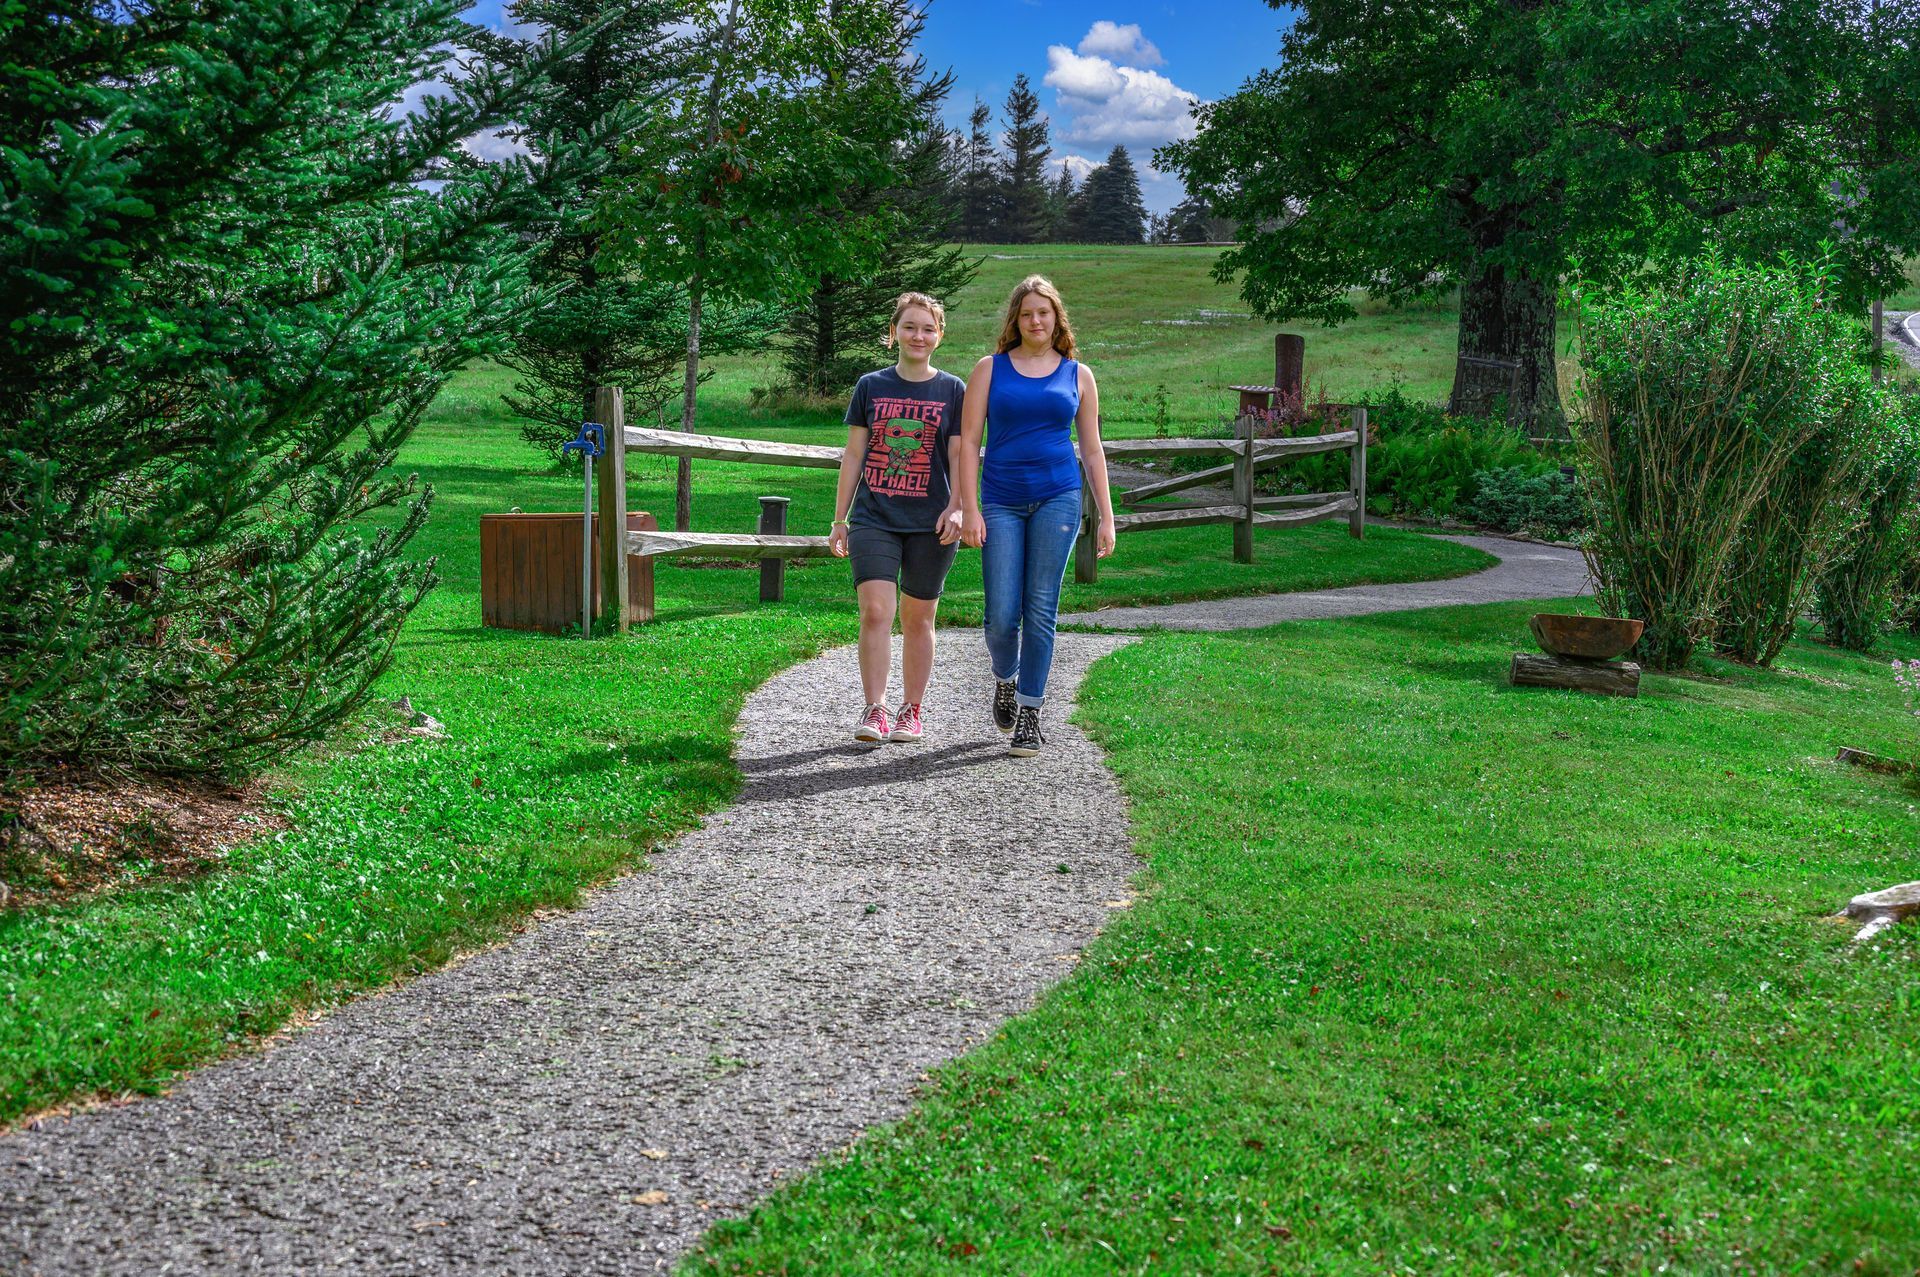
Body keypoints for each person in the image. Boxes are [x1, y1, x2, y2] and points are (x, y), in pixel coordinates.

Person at [955, 275, 1116, 757]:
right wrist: (969, 508)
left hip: (1059, 498)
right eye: (1027, 313)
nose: (1035, 320)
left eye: (1043, 312)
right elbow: (968, 445)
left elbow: (1091, 449)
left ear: (1056, 318)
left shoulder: (1077, 374)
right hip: (1001, 500)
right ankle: (1004, 677)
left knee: (1040, 608)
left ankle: (1030, 713)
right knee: (1002, 616)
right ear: (1016, 319)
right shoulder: (990, 369)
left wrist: (1106, 516)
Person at [828, 292, 967, 744]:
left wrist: (959, 505)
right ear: (894, 333)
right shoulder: (871, 385)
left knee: (918, 618)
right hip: (875, 517)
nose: (918, 336)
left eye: (928, 328)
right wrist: (839, 518)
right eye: (909, 327)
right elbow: (854, 454)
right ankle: (875, 709)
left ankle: (912, 710)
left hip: (933, 521)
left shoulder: (952, 390)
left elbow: (959, 454)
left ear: (939, 335)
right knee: (875, 611)